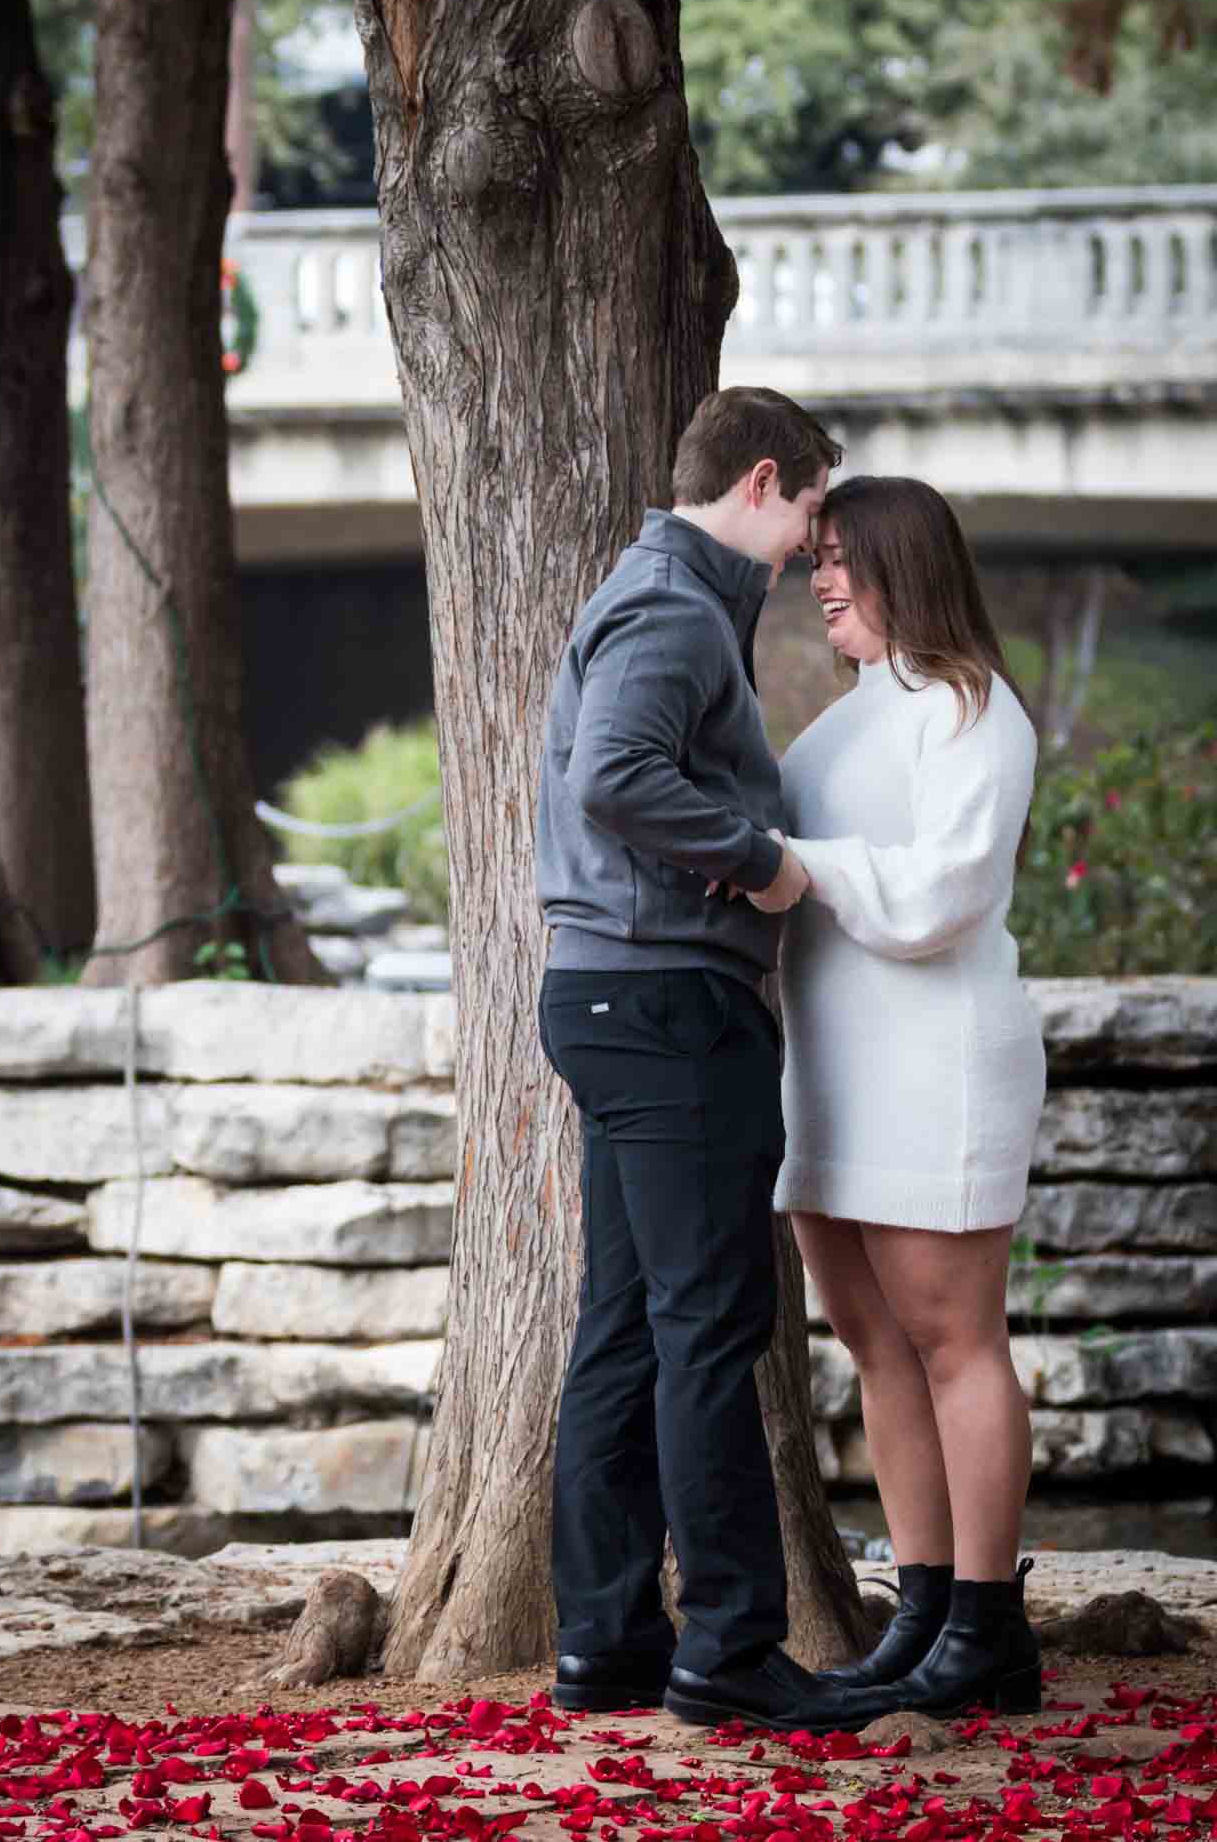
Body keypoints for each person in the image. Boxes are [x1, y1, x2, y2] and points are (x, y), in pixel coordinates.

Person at [535, 386, 846, 1731]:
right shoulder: (670, 607)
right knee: (709, 1332)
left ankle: (607, 1643)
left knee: (625, 1328)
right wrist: (762, 862)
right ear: (766, 481)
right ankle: (728, 1648)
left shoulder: (660, 594)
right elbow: (616, 774)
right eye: (816, 513)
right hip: (663, 1006)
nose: (813, 547)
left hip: (614, 1001)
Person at [765, 473, 1046, 1727]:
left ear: (903, 564)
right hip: (831, 1074)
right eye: (814, 558)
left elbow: (938, 899)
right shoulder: (840, 722)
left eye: (840, 560)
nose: (819, 578)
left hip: (936, 1064)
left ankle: (990, 1626)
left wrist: (794, 865)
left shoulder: (973, 712)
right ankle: (921, 1607)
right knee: (875, 1343)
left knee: (952, 1341)